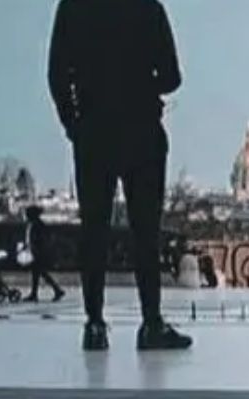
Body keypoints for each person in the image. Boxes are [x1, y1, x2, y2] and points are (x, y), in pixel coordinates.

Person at [49, 0, 191, 352]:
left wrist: (74, 124)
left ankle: (95, 323)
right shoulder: (147, 8)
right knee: (146, 233)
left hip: (93, 133)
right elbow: (172, 76)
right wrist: (143, 85)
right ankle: (151, 322)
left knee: (93, 231)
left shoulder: (73, 8)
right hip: (141, 130)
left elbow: (56, 75)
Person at [23, 206, 66, 303]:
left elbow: (40, 240)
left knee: (39, 273)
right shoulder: (37, 224)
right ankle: (38, 293)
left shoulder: (37, 225)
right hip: (36, 252)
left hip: (38, 253)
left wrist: (35, 249)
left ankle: (55, 290)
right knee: (38, 273)